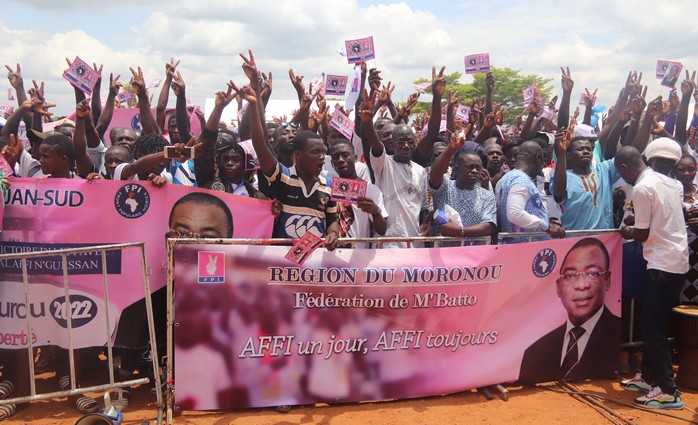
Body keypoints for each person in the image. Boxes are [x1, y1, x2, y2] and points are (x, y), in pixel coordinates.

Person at [615, 146, 687, 410]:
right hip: (674, 259)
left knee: (654, 328)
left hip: (662, 262)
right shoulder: (668, 181)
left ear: (624, 168)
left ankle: (669, 391)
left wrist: (627, 230)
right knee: (651, 323)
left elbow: (642, 234)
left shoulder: (642, 188)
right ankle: (647, 378)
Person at [518, 237, 621, 383]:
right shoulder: (534, 353)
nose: (581, 285)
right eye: (570, 276)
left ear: (607, 280)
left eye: (592, 273)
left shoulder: (617, 334)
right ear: (558, 287)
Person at [429, 131, 496, 243]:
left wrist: (460, 232)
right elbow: (435, 173)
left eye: (478, 168)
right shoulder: (445, 187)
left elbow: (488, 226)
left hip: (473, 256)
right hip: (443, 254)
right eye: (470, 167)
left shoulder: (487, 195)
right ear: (456, 168)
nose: (474, 171)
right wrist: (451, 148)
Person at [495, 140, 565, 242]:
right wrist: (545, 225)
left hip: (512, 246)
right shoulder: (520, 180)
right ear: (538, 158)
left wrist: (544, 219)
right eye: (542, 161)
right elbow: (515, 214)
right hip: (525, 248)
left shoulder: (505, 179)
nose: (543, 164)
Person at [329, 139, 388, 248]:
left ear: (355, 158)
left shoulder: (371, 190)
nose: (340, 160)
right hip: (333, 256)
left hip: (360, 257)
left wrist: (375, 213)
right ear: (332, 163)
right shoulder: (328, 188)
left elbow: (382, 230)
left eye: (345, 155)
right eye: (336, 157)